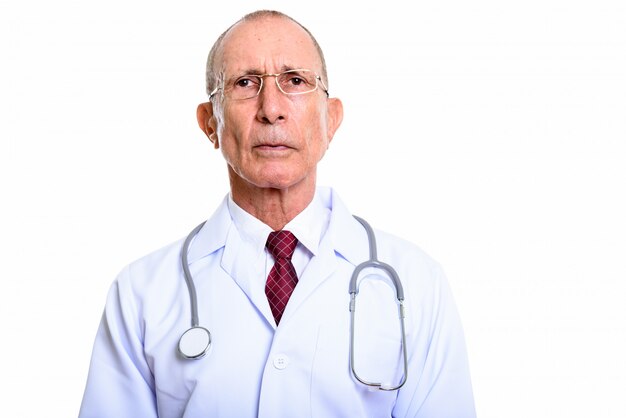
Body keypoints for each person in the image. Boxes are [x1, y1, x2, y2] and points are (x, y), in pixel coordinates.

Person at [79, 9, 475, 418]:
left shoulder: (414, 281)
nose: (271, 108)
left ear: (331, 119)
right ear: (209, 123)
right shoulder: (142, 293)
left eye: (295, 81)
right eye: (245, 83)